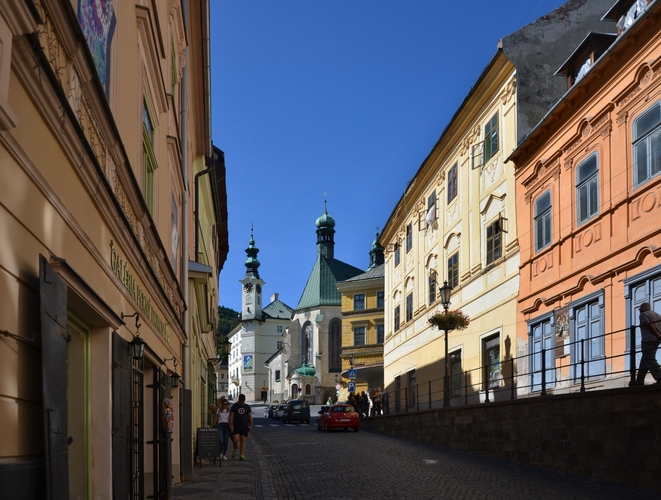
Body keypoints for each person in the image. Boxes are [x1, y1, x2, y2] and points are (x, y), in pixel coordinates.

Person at [636, 302, 661, 385]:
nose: (640, 311)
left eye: (640, 309)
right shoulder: (657, 315)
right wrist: (658, 336)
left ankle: (659, 377)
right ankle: (639, 380)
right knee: (646, 358)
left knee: (649, 359)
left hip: (648, 340)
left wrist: (656, 334)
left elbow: (648, 324)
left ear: (642, 309)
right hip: (657, 340)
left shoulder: (643, 315)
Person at [229, 394, 253, 460]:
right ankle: (235, 450)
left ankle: (242, 455)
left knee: (243, 440)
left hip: (244, 426)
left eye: (243, 401)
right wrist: (230, 424)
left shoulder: (247, 407)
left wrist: (251, 425)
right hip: (236, 425)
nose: (242, 402)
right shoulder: (234, 406)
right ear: (238, 400)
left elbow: (250, 416)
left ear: (244, 400)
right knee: (235, 440)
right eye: (240, 401)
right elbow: (231, 415)